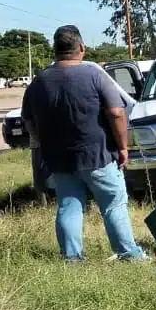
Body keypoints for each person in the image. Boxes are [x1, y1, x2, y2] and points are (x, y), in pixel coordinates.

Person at [20, 25, 148, 262]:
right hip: (98, 156)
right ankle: (129, 255)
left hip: (59, 160)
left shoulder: (38, 83)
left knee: (69, 206)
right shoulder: (94, 75)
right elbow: (116, 112)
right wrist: (123, 147)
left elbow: (28, 121)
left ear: (55, 50)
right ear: (81, 48)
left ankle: (72, 259)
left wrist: (46, 144)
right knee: (113, 205)